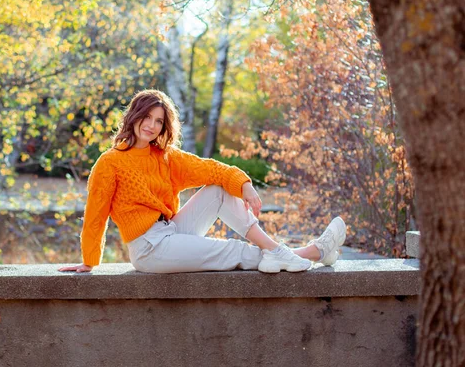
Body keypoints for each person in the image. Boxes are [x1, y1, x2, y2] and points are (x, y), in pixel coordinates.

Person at [58, 89, 346, 274]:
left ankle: (281, 252)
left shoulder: (165, 157)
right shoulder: (110, 163)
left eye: (159, 121)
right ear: (133, 116)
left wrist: (244, 184)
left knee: (219, 190)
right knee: (230, 250)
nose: (151, 125)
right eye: (146, 117)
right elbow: (95, 215)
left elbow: (211, 170)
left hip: (172, 231)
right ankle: (312, 252)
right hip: (149, 249)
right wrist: (89, 261)